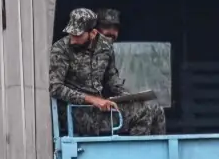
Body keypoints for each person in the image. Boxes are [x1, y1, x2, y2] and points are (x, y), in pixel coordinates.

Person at [50, 7, 165, 136]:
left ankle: (151, 153)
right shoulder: (60, 49)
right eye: (71, 33)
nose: (73, 39)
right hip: (75, 112)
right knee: (144, 112)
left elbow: (111, 78)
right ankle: (136, 153)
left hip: (100, 109)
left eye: (78, 35)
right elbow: (55, 87)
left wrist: (127, 97)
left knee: (155, 108)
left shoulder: (105, 46)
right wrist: (93, 100)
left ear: (92, 33)